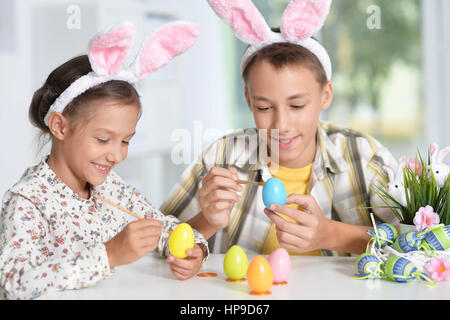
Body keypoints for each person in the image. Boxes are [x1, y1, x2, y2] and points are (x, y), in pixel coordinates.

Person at [160, 0, 399, 256]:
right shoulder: (222, 157)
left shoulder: (364, 157)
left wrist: (329, 234)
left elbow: (416, 240)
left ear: (325, 95)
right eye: (264, 108)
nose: (281, 126)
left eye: (297, 105)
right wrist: (207, 221)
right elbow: (160, 238)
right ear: (249, 100)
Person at [0, 21, 208, 300]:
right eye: (102, 140)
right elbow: (13, 283)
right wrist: (109, 254)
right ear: (60, 127)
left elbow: (162, 227)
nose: (117, 155)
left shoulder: (113, 189)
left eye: (125, 140)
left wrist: (193, 250)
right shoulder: (28, 201)